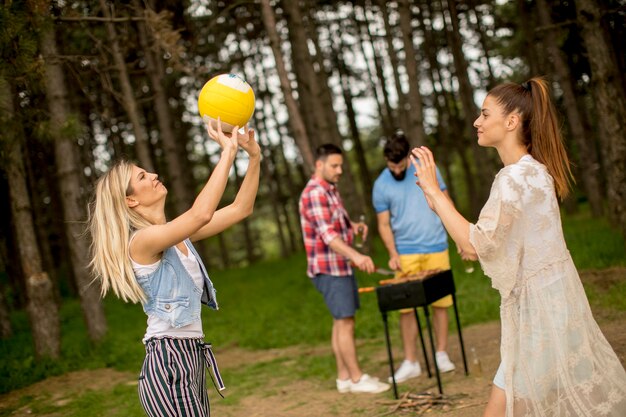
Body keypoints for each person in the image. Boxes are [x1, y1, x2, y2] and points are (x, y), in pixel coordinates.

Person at [410, 77, 626, 417]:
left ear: (511, 122)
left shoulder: (512, 180)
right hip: (556, 305)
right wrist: (432, 194)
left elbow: (473, 243)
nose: (476, 122)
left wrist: (435, 191)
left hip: (540, 314)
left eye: (484, 114)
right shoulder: (536, 172)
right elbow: (478, 244)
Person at [88, 120, 261, 417]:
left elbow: (240, 209)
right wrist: (227, 153)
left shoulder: (175, 233)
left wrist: (254, 157)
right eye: (143, 176)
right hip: (168, 362)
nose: (154, 175)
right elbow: (201, 213)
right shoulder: (142, 242)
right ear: (131, 199)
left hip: (191, 356)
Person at [299, 143, 390, 394]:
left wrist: (353, 228)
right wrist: (357, 256)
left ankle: (344, 379)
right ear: (319, 165)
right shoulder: (315, 192)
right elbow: (327, 235)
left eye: (341, 165)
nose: (340, 170)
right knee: (345, 322)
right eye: (334, 165)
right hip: (329, 269)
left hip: (339, 266)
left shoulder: (330, 190)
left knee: (341, 322)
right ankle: (358, 378)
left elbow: (335, 223)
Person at [372, 131, 456, 384]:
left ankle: (441, 353)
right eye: (391, 165)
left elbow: (444, 200)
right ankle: (411, 361)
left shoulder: (426, 169)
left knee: (441, 304)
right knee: (406, 310)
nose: (396, 169)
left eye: (400, 164)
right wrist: (393, 254)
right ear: (386, 160)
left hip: (436, 246)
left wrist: (459, 238)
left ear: (408, 157)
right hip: (406, 253)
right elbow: (384, 225)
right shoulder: (381, 185)